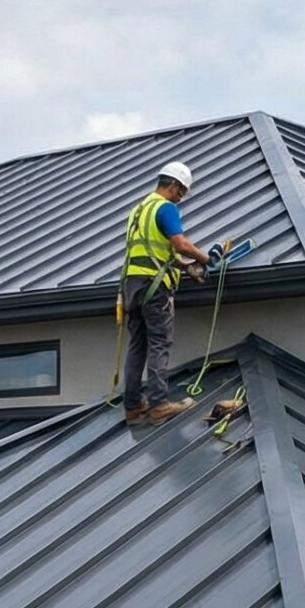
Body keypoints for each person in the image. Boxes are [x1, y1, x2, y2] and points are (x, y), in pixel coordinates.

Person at [119, 162, 211, 428]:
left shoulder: (138, 210)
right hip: (154, 287)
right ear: (173, 186)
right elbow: (179, 243)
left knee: (137, 345)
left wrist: (186, 267)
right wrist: (205, 259)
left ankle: (133, 406)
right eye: (181, 193)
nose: (180, 199)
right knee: (160, 342)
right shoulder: (166, 207)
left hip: (132, 286)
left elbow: (153, 248)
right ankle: (159, 404)